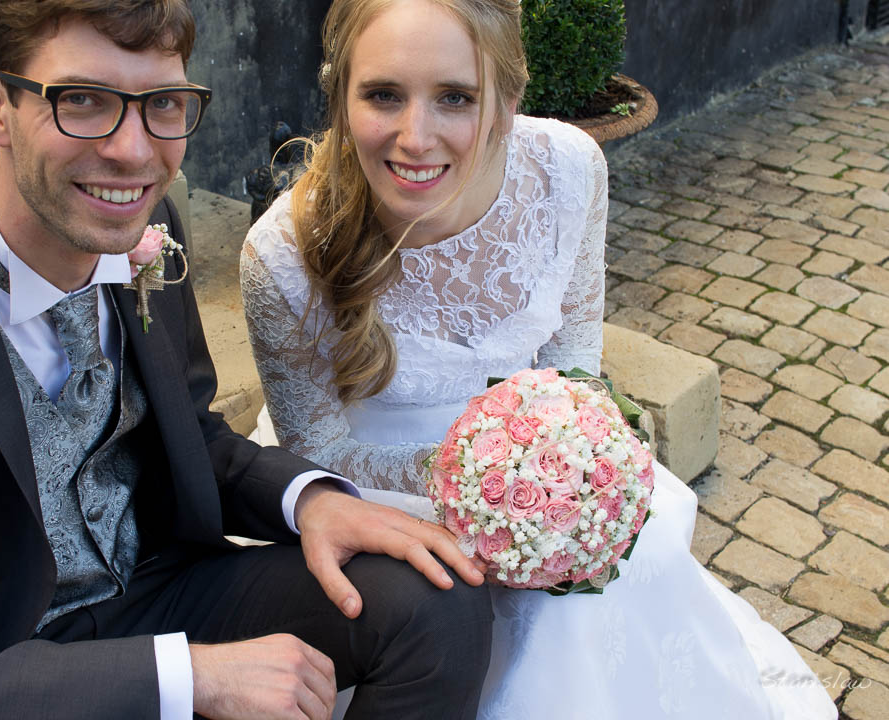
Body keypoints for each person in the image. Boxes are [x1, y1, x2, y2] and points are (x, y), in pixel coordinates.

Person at [0, 1, 496, 718]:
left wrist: (309, 500)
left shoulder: (145, 226)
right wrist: (186, 679)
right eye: (83, 102)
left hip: (159, 588)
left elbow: (190, 435)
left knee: (433, 601)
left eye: (162, 103)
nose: (134, 151)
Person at [241, 0, 839, 718]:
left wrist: (568, 468)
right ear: (339, 93)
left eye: (455, 98)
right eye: (382, 95)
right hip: (373, 494)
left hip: (538, 467)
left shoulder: (565, 170)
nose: (415, 136)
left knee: (626, 571)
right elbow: (318, 452)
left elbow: (572, 362)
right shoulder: (280, 256)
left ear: (505, 101)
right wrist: (482, 486)